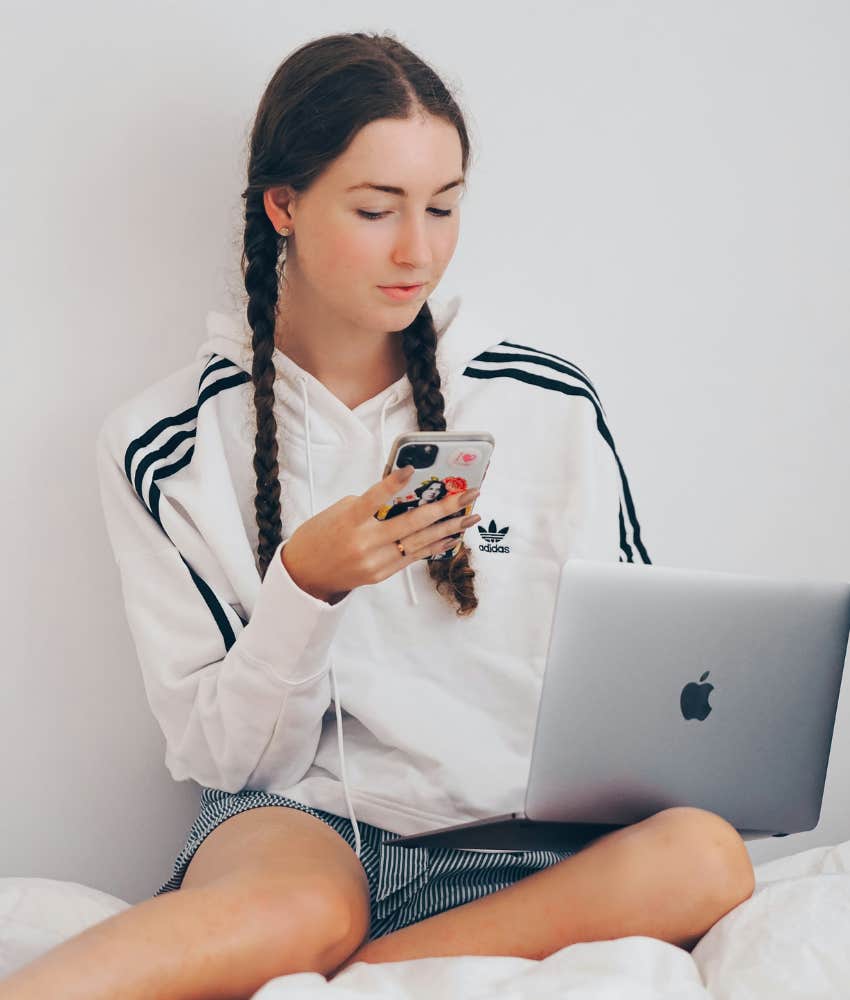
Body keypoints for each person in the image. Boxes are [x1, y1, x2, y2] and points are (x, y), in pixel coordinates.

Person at [0, 30, 755, 1000]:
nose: (419, 249)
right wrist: (305, 584)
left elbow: (645, 679)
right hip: (304, 831)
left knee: (706, 855)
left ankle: (356, 977)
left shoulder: (548, 405)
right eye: (375, 208)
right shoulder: (165, 442)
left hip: (526, 846)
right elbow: (224, 756)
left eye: (443, 208)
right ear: (284, 205)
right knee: (301, 908)